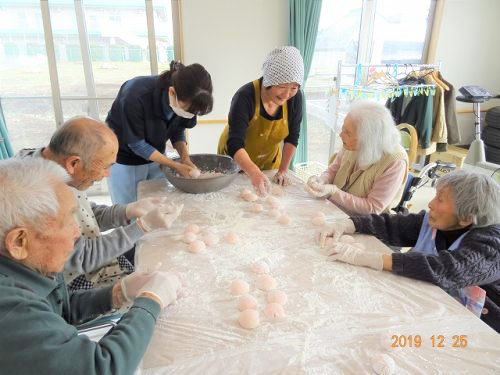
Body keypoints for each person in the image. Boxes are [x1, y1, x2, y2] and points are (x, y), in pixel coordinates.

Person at [0, 158, 183, 374]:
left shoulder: (31, 264)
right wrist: (151, 301)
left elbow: (59, 308)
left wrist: (116, 293)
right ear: (19, 241)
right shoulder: (12, 312)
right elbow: (100, 368)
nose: (77, 233)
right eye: (68, 221)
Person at [319, 170, 500, 333]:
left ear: (466, 217)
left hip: (479, 328)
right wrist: (349, 224)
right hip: (431, 309)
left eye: (440, 199)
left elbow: (447, 269)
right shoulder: (434, 221)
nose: (430, 204)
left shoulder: (492, 245)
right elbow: (391, 225)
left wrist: (366, 258)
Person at [17, 116, 183, 291]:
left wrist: (127, 211)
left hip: (88, 260)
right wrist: (143, 226)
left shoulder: (51, 163)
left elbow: (85, 214)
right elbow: (82, 257)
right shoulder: (35, 196)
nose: (107, 174)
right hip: (70, 288)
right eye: (104, 167)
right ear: (74, 163)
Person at [106, 60, 213, 204]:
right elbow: (137, 144)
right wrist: (174, 165)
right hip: (125, 159)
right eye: (187, 111)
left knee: (158, 205)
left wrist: (185, 158)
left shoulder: (183, 99)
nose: (189, 115)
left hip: (156, 156)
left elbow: (178, 128)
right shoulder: (135, 95)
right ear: (172, 92)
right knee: (129, 211)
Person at [217, 46, 304, 195]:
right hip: (235, 161)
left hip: (269, 162)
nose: (287, 94)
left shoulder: (296, 98)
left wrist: (283, 170)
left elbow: (292, 137)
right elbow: (235, 143)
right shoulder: (244, 97)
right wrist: (253, 171)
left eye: (294, 87)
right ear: (268, 81)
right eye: (282, 86)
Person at [306, 101, 408, 215]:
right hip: (334, 210)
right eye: (343, 129)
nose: (341, 135)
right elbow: (333, 169)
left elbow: (373, 208)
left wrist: (333, 192)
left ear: (368, 139)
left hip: (364, 223)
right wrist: (322, 180)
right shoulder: (351, 144)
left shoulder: (395, 162)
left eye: (348, 133)